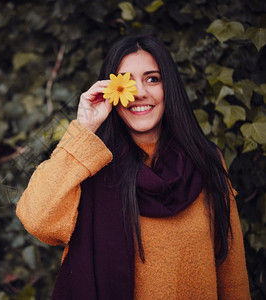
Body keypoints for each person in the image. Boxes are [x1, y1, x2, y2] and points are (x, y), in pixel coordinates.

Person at [16, 35, 250, 299]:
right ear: (110, 91)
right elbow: (38, 220)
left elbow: (232, 273)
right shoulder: (90, 165)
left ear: (168, 87)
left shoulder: (205, 160)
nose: (139, 92)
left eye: (152, 79)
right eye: (125, 82)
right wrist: (84, 130)